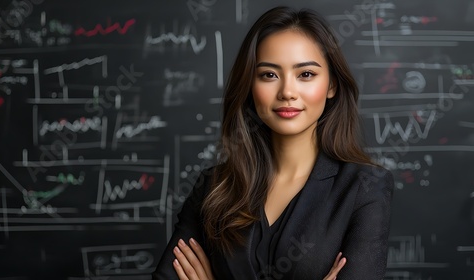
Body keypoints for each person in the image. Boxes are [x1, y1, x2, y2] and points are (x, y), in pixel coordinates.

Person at [153, 6, 394, 280]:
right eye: (269, 75)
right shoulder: (213, 186)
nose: (287, 92)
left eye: (306, 74)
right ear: (249, 85)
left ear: (331, 85)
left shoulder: (366, 188)